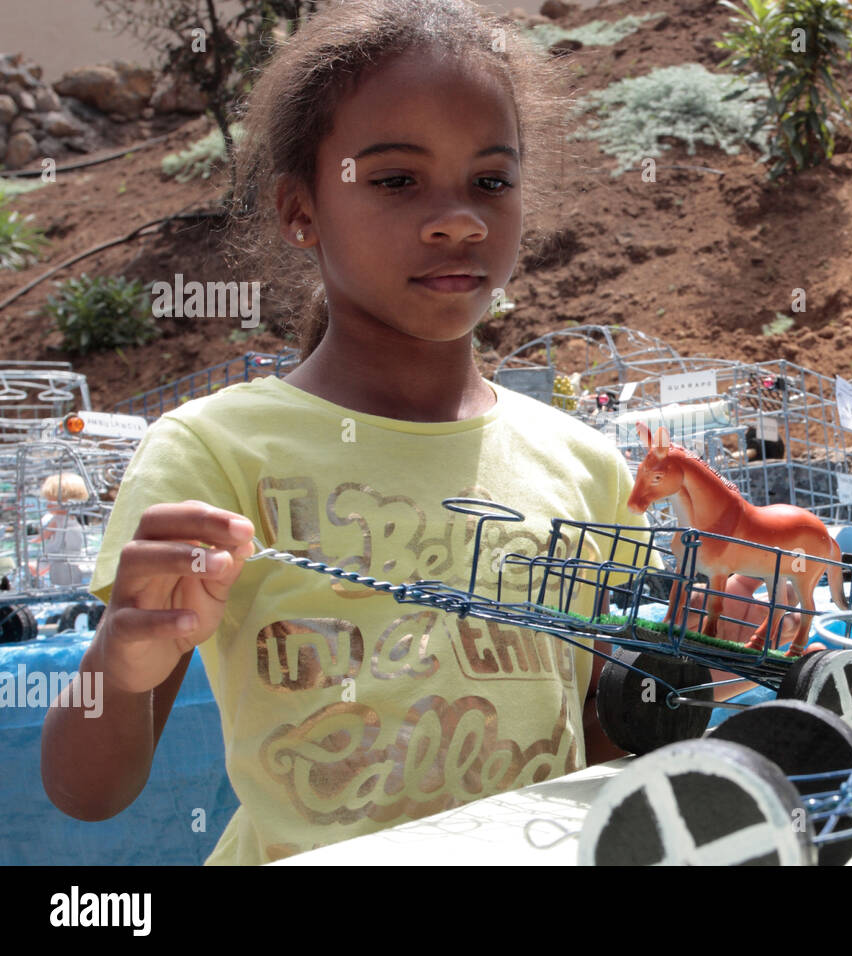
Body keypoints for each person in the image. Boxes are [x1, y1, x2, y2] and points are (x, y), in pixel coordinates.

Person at [41, 0, 648, 865]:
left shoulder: (587, 469)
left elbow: (585, 745)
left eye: (491, 181)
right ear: (301, 211)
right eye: (397, 180)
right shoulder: (213, 453)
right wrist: (123, 659)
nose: (459, 219)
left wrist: (699, 675)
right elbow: (85, 790)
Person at [29, 472, 90, 587]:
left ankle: (38, 570)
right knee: (70, 577)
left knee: (54, 566)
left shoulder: (57, 520)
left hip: (59, 552)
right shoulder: (73, 520)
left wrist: (34, 540)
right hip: (73, 554)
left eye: (50, 501)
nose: (47, 505)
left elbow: (46, 534)